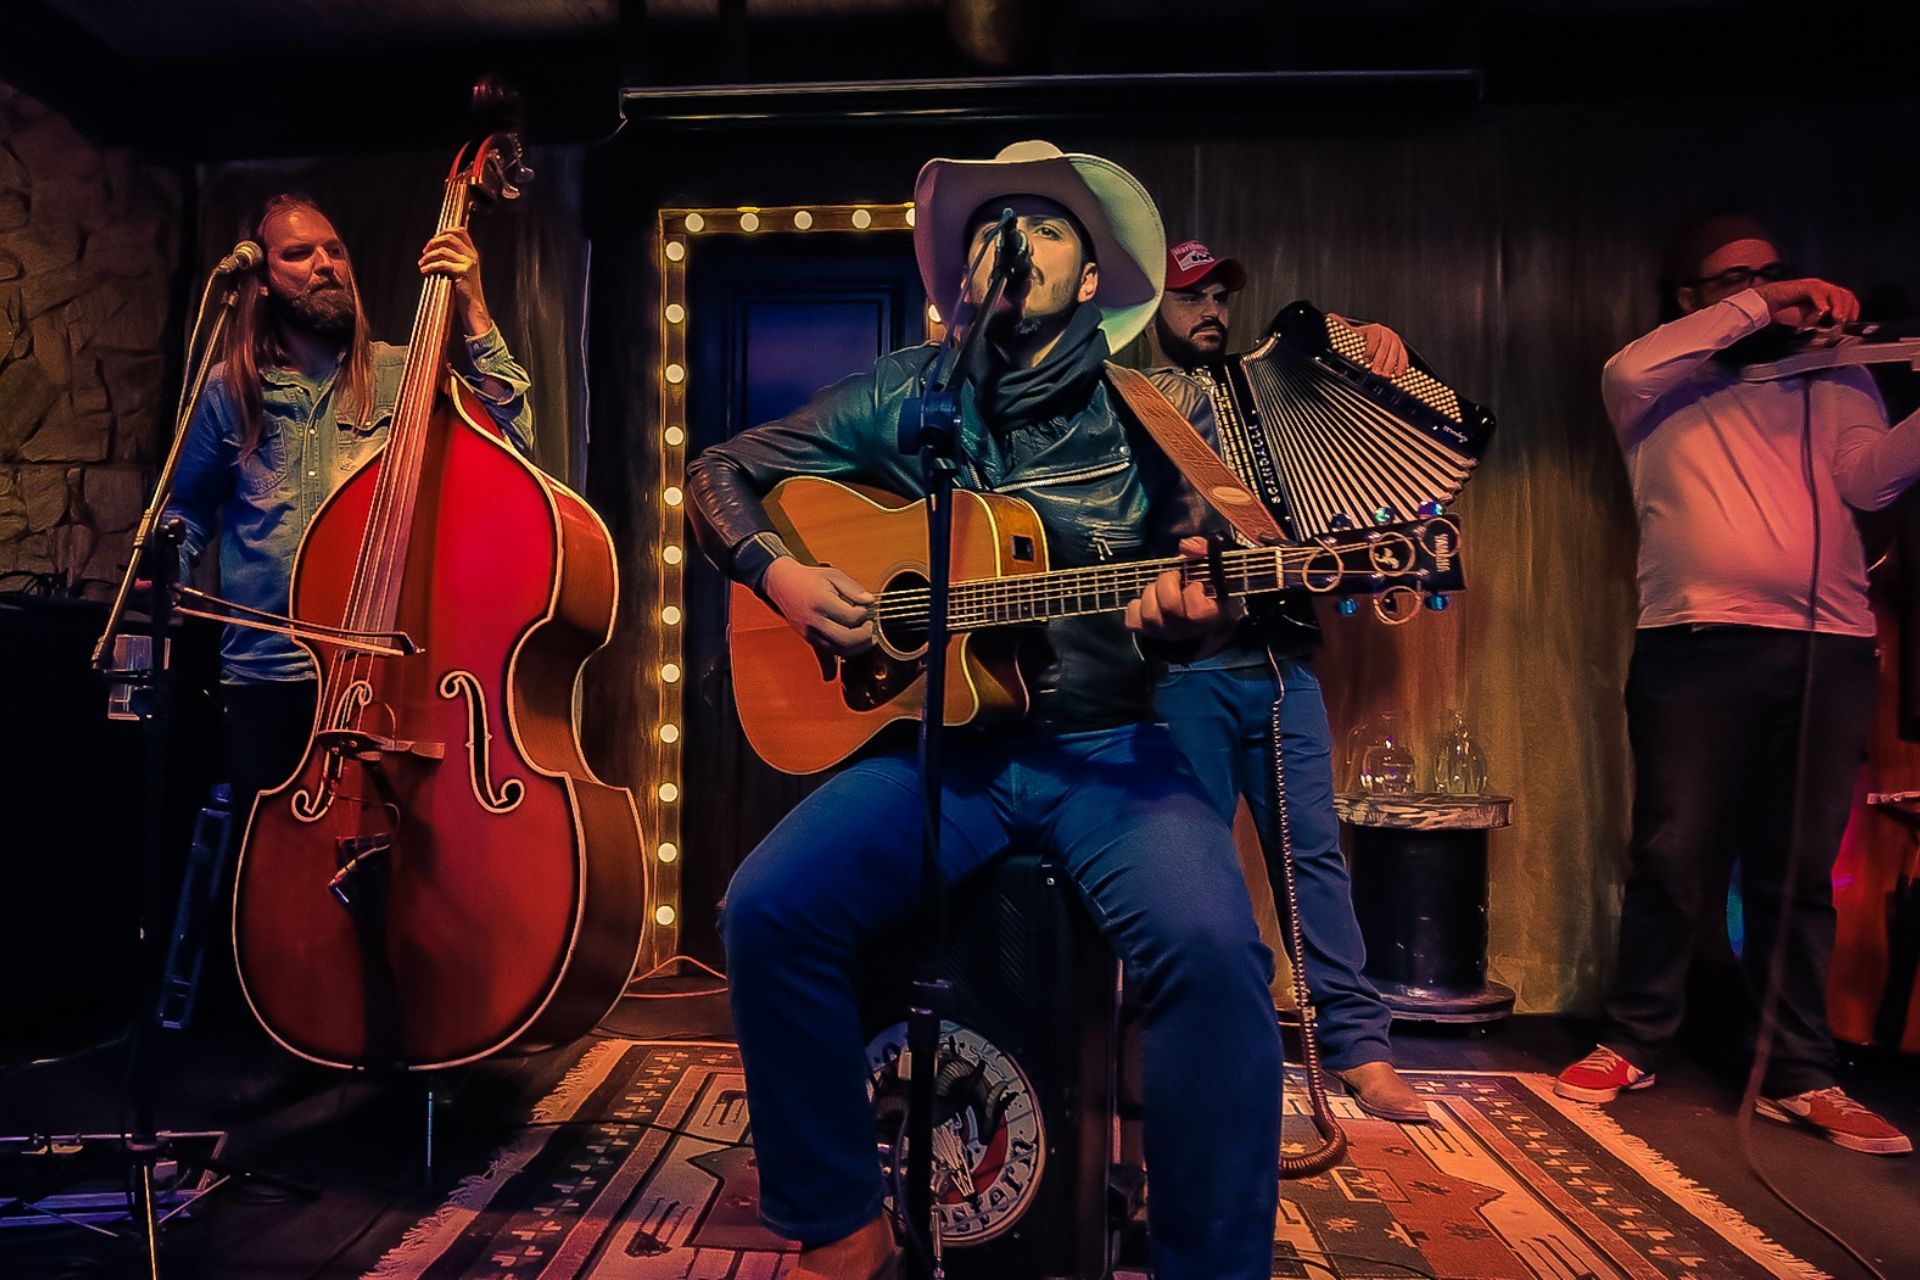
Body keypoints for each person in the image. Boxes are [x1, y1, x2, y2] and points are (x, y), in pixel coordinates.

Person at [686, 142, 1282, 1280]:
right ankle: (837, 1220)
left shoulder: (1146, 411)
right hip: (945, 751)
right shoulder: (911, 391)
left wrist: (1186, 616)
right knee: (767, 906)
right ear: (963, 274)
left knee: (1212, 954)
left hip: (1109, 752)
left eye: (1049, 227)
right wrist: (787, 578)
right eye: (993, 227)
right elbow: (718, 472)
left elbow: (1228, 557)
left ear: (1095, 277)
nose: (1017, 243)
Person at [1555, 213, 1913, 1157]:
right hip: (1698, 642)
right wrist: (1763, 303)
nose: (1767, 288)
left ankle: (1799, 1071)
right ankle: (1632, 1040)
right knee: (1674, 855)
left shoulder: (1834, 376)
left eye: (1775, 271)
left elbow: (1872, 485)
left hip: (1827, 647)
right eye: (1735, 278)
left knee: (1797, 874)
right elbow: (1625, 370)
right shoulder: (1661, 380)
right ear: (1689, 297)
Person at [1147, 238, 1431, 1124]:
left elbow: (1371, 430)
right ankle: (1199, 1045)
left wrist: (1370, 345)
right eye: (1189, 296)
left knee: (1313, 858)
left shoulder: (1271, 386)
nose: (1211, 312)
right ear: (1149, 308)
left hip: (1283, 667)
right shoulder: (1133, 398)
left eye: (1219, 297)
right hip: (1182, 670)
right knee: (1188, 869)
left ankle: (1357, 1048)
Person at [165, 193, 534, 814]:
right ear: (260, 283)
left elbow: (515, 445)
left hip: (385, 671)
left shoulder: (406, 375)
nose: (325, 264)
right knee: (275, 871)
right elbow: (190, 511)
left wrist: (472, 305)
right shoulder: (230, 388)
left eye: (334, 250)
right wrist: (165, 569)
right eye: (299, 253)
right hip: (267, 672)